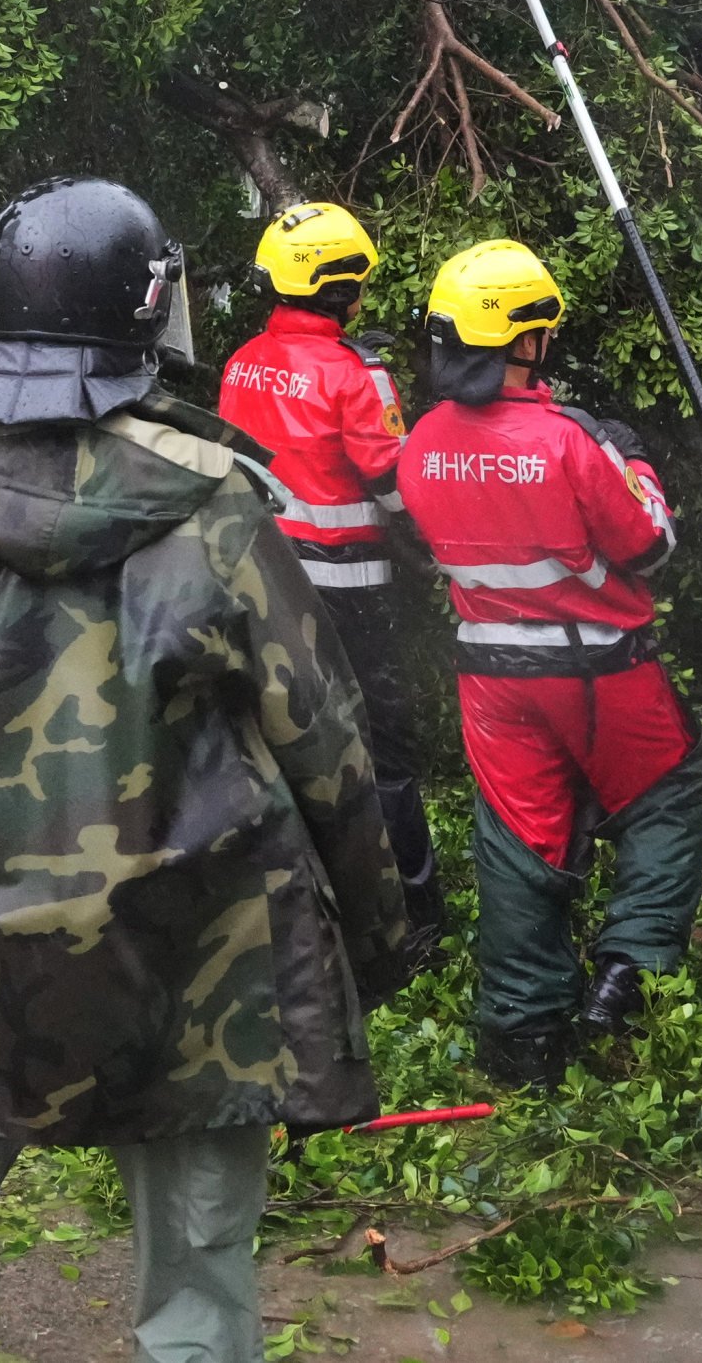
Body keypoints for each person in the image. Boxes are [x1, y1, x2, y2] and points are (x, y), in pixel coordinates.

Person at [0, 178, 415, 1363]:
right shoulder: (221, 503)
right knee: (197, 1303)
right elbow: (325, 746)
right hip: (198, 974)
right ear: (147, 311)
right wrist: (374, 948)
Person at [392, 238, 702, 1086]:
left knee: (519, 841)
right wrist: (634, 462)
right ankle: (625, 975)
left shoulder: (419, 442)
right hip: (602, 670)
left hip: (490, 675)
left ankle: (521, 1044)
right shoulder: (570, 440)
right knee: (664, 799)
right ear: (528, 338)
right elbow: (648, 548)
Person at [216, 198, 443, 937]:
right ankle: (413, 914)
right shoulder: (357, 374)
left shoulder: (241, 365)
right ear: (341, 287)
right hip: (350, 590)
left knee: (280, 741)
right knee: (384, 752)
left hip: (261, 582)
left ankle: (296, 908)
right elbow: (393, 485)